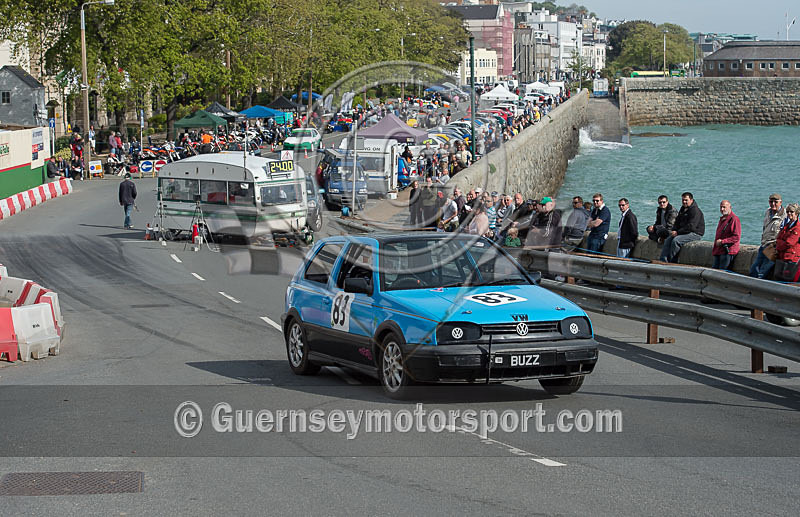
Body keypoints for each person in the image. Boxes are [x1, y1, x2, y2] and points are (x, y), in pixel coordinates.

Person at [659, 192, 705, 263]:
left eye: (686, 200)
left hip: (695, 233)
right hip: (683, 232)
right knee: (668, 239)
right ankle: (663, 260)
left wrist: (678, 232)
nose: (684, 202)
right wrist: (674, 230)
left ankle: (673, 261)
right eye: (683, 200)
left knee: (676, 241)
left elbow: (691, 227)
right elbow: (677, 221)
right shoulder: (683, 209)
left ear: (691, 200)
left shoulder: (695, 211)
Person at [750, 194, 785, 279]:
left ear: (780, 203)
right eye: (771, 202)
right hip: (764, 244)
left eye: (775, 202)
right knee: (754, 269)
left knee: (763, 272)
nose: (773, 204)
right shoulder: (768, 212)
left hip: (773, 247)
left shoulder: (784, 215)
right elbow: (764, 228)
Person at [711, 200, 741, 270]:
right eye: (721, 207)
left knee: (722, 273)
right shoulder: (722, 219)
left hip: (727, 251)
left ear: (730, 207)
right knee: (715, 272)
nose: (722, 209)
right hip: (719, 250)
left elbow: (736, 237)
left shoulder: (734, 219)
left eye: (724, 207)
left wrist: (722, 241)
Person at [774, 203, 800, 282]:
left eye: (791, 212)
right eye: (788, 211)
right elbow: (778, 238)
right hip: (782, 257)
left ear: (796, 213)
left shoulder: (797, 228)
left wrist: (779, 245)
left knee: (787, 280)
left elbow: (789, 243)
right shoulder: (787, 225)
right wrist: (781, 242)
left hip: (791, 258)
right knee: (779, 278)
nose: (789, 213)